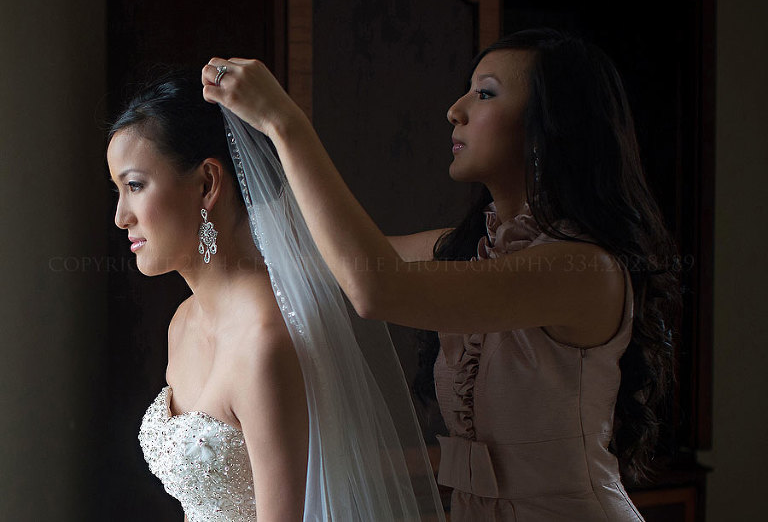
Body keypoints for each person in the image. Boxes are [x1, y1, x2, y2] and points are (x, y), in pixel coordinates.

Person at [202, 28, 678, 521]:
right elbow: (333, 261)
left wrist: (285, 123)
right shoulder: (465, 251)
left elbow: (375, 289)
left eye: (485, 93)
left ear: (551, 128)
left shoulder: (581, 270)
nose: (456, 109)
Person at [107, 72, 443, 521]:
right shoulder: (183, 321)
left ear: (207, 183)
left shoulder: (264, 341)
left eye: (134, 186)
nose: (120, 217)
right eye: (118, 190)